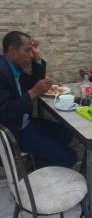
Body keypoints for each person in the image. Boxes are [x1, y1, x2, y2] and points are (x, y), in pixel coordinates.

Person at [0, 31, 76, 167]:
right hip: (15, 131)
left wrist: (37, 59)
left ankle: (42, 160)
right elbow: (4, 112)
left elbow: (35, 82)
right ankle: (38, 174)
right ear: (12, 50)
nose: (30, 54)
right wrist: (34, 92)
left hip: (25, 122)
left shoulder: (13, 68)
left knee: (67, 133)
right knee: (70, 157)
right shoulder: (2, 71)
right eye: (27, 50)